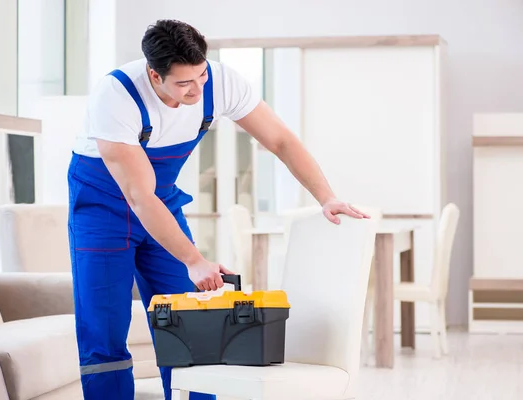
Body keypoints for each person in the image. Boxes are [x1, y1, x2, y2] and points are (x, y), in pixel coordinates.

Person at [67, 19, 369, 400]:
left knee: (191, 326)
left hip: (161, 203)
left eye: (202, 75)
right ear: (154, 75)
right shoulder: (116, 96)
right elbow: (138, 197)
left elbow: (280, 140)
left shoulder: (221, 83)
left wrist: (325, 196)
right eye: (183, 83)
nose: (197, 89)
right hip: (103, 212)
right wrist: (194, 260)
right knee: (104, 330)